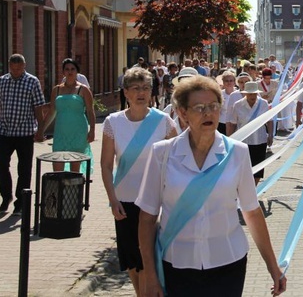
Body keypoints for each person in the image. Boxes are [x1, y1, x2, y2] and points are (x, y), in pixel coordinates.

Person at [136, 76, 286, 296]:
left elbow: (252, 213)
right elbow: (147, 219)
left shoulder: (237, 152)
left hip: (228, 263)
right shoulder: (162, 153)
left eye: (214, 107)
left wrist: (273, 266)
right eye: (199, 107)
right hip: (177, 265)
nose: (208, 113)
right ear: (182, 113)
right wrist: (150, 275)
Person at [100, 67, 177, 295]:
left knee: (149, 259)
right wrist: (112, 200)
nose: (141, 93)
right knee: (132, 261)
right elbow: (105, 165)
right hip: (125, 201)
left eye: (145, 88)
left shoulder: (163, 122)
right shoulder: (113, 123)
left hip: (155, 202)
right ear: (126, 92)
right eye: (136, 88)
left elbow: (176, 161)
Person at [0, 54, 45, 216]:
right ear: (9, 66)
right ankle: (6, 196)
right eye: (13, 68)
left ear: (24, 66)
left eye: (19, 68)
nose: (16, 71)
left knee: (24, 168)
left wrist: (41, 130)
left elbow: (38, 107)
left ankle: (20, 202)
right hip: (5, 131)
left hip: (25, 132)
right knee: (1, 164)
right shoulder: (2, 81)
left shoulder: (32, 82)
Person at [40, 59, 96, 173]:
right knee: (57, 169)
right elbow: (52, 112)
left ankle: (74, 190)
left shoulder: (83, 90)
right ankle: (59, 191)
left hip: (78, 132)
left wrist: (92, 130)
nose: (70, 72)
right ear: (63, 72)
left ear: (77, 72)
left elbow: (90, 111)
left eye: (72, 69)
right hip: (61, 132)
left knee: (74, 170)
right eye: (67, 69)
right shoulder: (57, 90)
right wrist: (41, 130)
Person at [227, 81, 273, 185]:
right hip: (244, 142)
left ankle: (254, 190)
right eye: (250, 93)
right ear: (245, 93)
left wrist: (270, 135)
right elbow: (233, 123)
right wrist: (229, 139)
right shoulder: (238, 105)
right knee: (244, 169)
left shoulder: (263, 103)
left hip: (260, 140)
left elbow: (270, 120)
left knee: (258, 170)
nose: (252, 96)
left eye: (254, 93)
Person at [218, 69, 237, 135]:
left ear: (234, 82)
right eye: (226, 81)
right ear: (223, 82)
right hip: (222, 123)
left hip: (235, 124)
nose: (229, 82)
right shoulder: (219, 94)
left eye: (231, 80)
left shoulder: (238, 94)